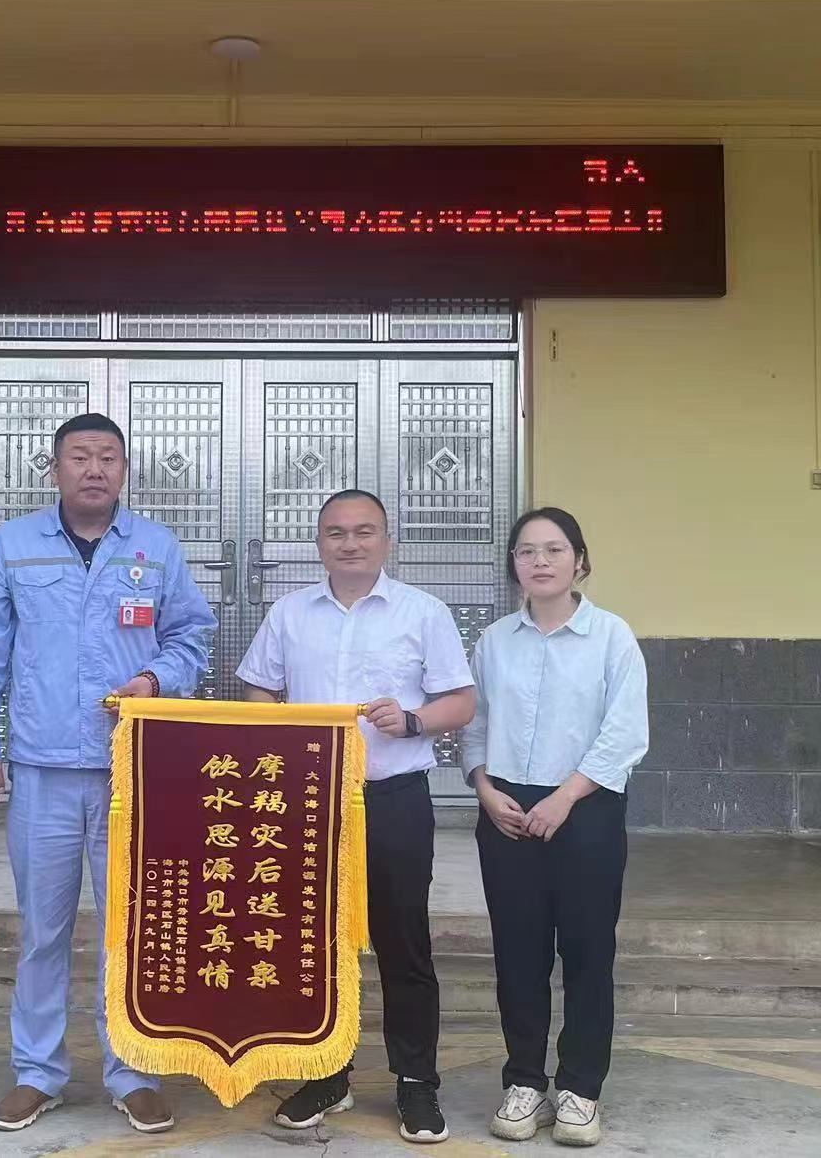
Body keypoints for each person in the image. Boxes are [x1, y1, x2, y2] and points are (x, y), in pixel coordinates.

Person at [0, 412, 216, 1135]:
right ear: (55, 468)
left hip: (130, 770)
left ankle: (133, 1072)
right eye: (80, 457)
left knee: (130, 926)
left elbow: (192, 636)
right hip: (40, 768)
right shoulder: (15, 544)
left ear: (125, 471)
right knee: (43, 930)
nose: (94, 469)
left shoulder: (156, 547)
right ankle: (36, 1072)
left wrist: (156, 679)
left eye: (108, 457)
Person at [237, 488, 478, 1145]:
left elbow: (461, 701)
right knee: (313, 942)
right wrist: (280, 729)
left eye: (364, 531)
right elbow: (258, 685)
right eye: (336, 533)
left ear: (387, 540)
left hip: (393, 797)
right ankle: (326, 1073)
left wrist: (414, 720)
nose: (350, 543)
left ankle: (416, 1082)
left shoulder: (423, 613)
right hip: (309, 804)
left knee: (403, 941)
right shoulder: (289, 613)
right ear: (319, 543)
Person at [461, 507, 648, 1148]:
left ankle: (580, 1088)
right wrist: (484, 789)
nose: (539, 561)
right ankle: (524, 1082)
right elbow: (476, 726)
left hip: (586, 807)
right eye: (526, 551)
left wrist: (565, 798)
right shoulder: (494, 642)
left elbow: (625, 733)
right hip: (507, 811)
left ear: (580, 561)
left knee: (588, 953)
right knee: (518, 953)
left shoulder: (611, 637)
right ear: (513, 564)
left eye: (554, 549)